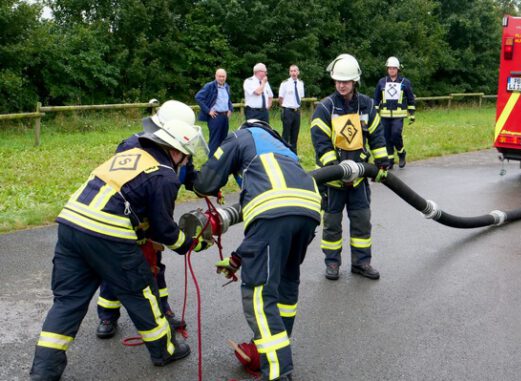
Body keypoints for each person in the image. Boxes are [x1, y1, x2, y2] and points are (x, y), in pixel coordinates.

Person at [29, 100, 212, 381]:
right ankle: (164, 350)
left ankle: (44, 372)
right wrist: (191, 244)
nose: (187, 161)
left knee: (67, 302)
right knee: (141, 293)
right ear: (175, 151)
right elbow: (163, 231)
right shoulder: (164, 176)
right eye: (186, 156)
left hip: (70, 225)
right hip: (108, 235)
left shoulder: (132, 154)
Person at [194, 119, 321, 381]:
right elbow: (269, 235)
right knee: (286, 282)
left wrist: (188, 176)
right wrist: (239, 257)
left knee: (259, 296)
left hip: (273, 213)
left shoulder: (241, 136)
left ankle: (277, 371)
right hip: (307, 212)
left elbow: (206, 183)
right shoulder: (284, 148)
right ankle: (277, 346)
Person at [94, 104, 201, 339]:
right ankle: (107, 316)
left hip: (158, 212)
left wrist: (203, 185)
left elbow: (188, 173)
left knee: (155, 266)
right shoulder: (132, 145)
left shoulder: (180, 146)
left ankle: (163, 311)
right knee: (117, 268)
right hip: (129, 220)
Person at [310, 53, 389, 281]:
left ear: (355, 81)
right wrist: (334, 167)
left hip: (359, 177)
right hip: (333, 180)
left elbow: (376, 133)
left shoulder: (366, 105)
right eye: (338, 81)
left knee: (362, 221)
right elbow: (320, 140)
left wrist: (382, 161)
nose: (341, 85)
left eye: (345, 81)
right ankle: (332, 263)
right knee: (332, 224)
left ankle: (361, 263)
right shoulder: (325, 108)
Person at [373, 56, 416, 169]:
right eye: (390, 68)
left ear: (398, 69)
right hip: (385, 115)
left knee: (396, 134)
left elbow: (410, 98)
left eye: (394, 68)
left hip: (398, 115)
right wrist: (375, 112)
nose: (391, 70)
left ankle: (401, 153)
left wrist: (412, 113)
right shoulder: (381, 82)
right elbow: (376, 98)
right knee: (386, 137)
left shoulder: (405, 82)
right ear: (387, 69)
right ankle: (390, 160)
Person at [195, 68, 234, 155]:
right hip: (215, 117)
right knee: (214, 141)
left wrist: (230, 109)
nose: (221, 78)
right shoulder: (210, 86)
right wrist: (208, 111)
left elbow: (228, 100)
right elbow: (198, 97)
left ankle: (221, 160)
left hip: (225, 117)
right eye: (219, 76)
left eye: (223, 76)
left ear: (226, 77)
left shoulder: (227, 86)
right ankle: (212, 163)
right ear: (216, 76)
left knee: (224, 140)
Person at [278, 65, 305, 153]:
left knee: (295, 134)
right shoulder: (284, 83)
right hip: (288, 111)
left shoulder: (301, 83)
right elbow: (280, 98)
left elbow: (301, 97)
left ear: (298, 72)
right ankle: (284, 153)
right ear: (289, 73)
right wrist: (285, 108)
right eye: (291, 71)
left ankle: (294, 154)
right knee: (286, 134)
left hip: (296, 111)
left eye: (295, 71)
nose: (293, 73)